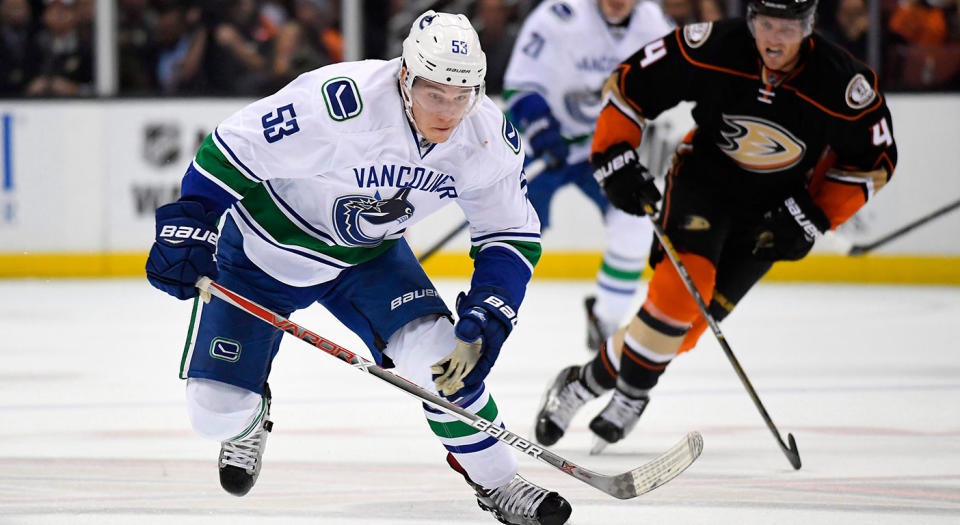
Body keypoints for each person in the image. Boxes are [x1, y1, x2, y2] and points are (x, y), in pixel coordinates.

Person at [145, 11, 571, 525]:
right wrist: (189, 221)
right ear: (406, 76)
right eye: (436, 93)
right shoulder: (339, 103)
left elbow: (509, 233)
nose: (449, 111)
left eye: (463, 95)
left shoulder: (484, 136)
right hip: (263, 250)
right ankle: (247, 420)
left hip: (368, 258)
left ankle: (499, 481)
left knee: (444, 363)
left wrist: (492, 310)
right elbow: (233, 147)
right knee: (214, 412)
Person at [534, 0, 898, 453]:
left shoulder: (841, 81)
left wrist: (814, 215)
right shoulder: (717, 46)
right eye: (766, 23)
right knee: (682, 293)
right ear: (751, 21)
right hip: (703, 185)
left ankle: (582, 382)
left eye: (788, 27)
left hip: (775, 212)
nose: (775, 38)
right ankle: (632, 394)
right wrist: (614, 154)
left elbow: (874, 161)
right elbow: (631, 84)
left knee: (683, 331)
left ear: (809, 26)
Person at [503, 0, 673, 353]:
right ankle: (483, 314)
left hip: (604, 149)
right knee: (511, 232)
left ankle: (606, 321)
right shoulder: (558, 16)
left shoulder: (654, 22)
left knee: (636, 222)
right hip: (540, 146)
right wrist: (541, 129)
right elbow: (519, 86)